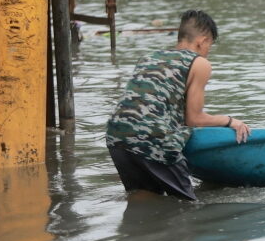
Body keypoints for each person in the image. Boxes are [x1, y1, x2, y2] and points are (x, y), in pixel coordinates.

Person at [106, 10, 251, 201]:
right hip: (152, 137)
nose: (208, 51)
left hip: (117, 136)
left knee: (143, 198)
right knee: (186, 208)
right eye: (210, 45)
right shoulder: (199, 63)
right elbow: (194, 118)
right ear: (202, 40)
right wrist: (231, 121)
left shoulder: (149, 57)